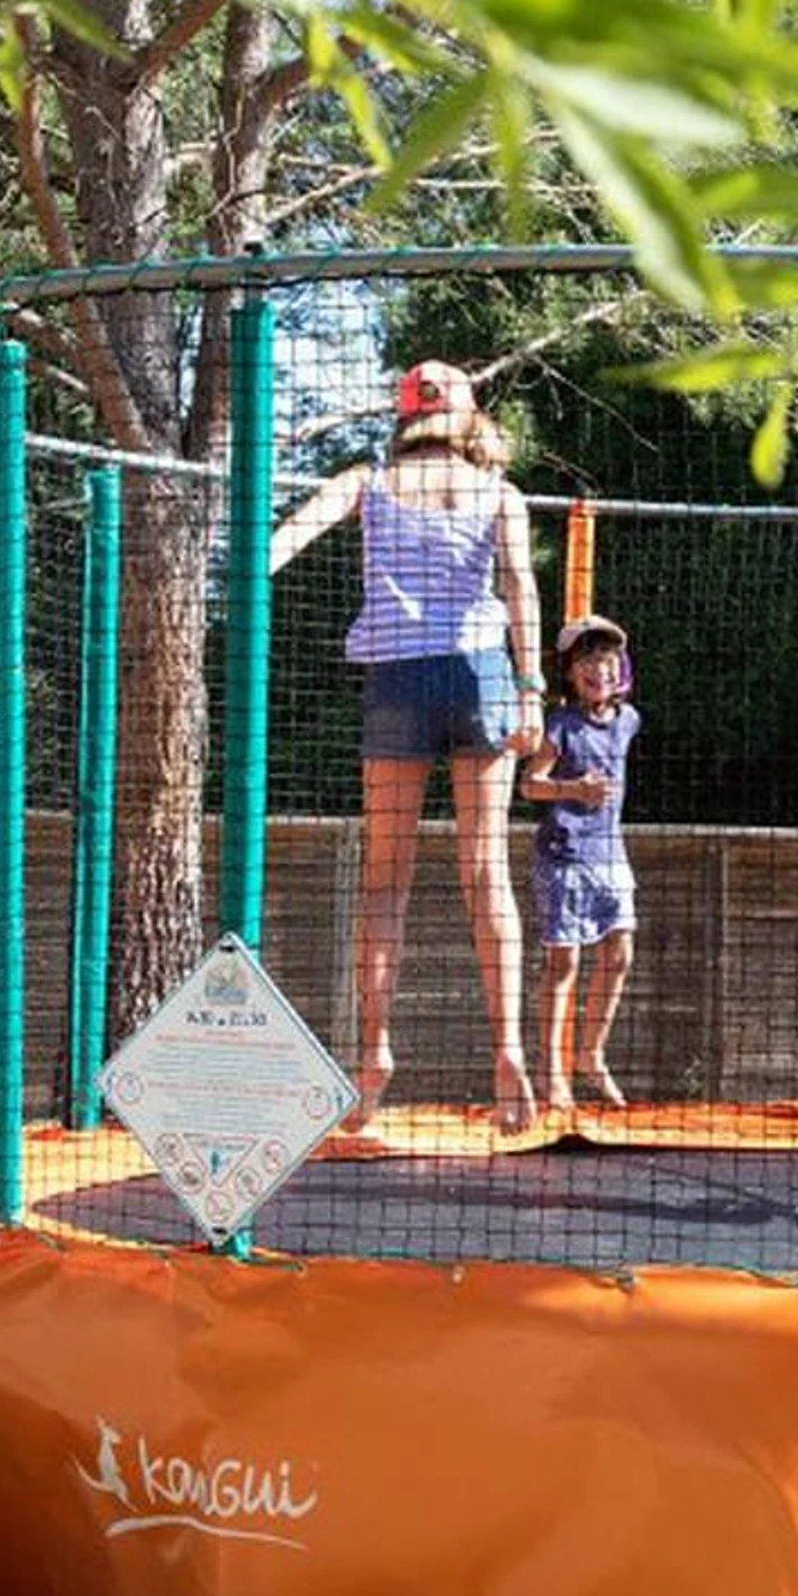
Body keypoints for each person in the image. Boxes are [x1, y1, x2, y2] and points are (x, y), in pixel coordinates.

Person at [270, 359, 542, 1134]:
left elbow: (286, 537)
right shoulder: (499, 492)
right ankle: (508, 1050)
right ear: (466, 415)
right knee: (486, 872)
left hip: (396, 681)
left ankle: (374, 1052)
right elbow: (520, 586)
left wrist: (238, 575)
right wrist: (531, 689)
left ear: (404, 418)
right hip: (479, 675)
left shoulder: (369, 482)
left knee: (386, 882)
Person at [519, 613, 642, 1111]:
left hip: (610, 855)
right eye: (586, 660)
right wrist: (573, 789)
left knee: (620, 953)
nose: (598, 669)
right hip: (564, 857)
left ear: (621, 668)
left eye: (607, 659)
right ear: (570, 673)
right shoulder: (560, 726)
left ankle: (591, 1055)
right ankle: (551, 1071)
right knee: (563, 961)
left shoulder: (628, 721)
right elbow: (530, 785)